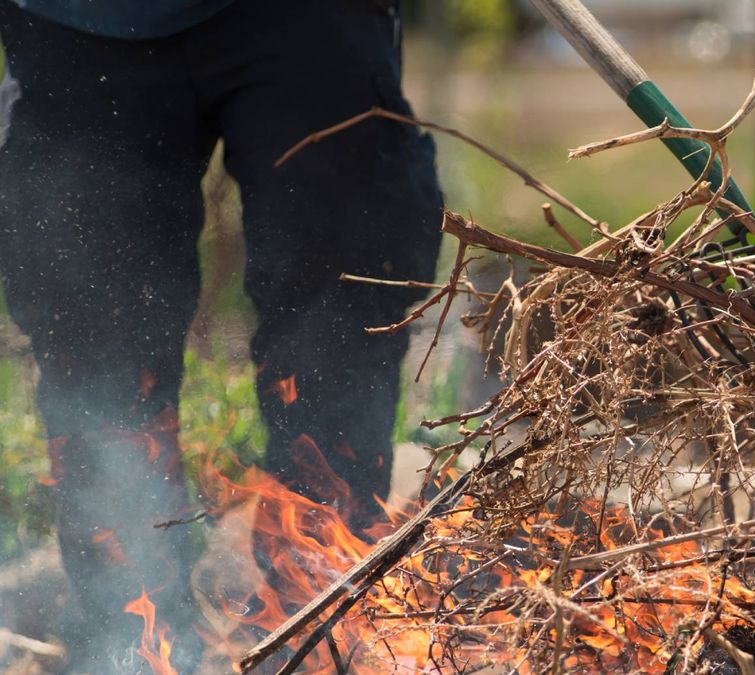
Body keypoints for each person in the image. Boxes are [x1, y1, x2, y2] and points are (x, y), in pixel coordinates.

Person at [0, 0, 443, 671]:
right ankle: (131, 643)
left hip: (311, 20)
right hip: (82, 19)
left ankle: (319, 621)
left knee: (347, 292)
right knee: (94, 322)